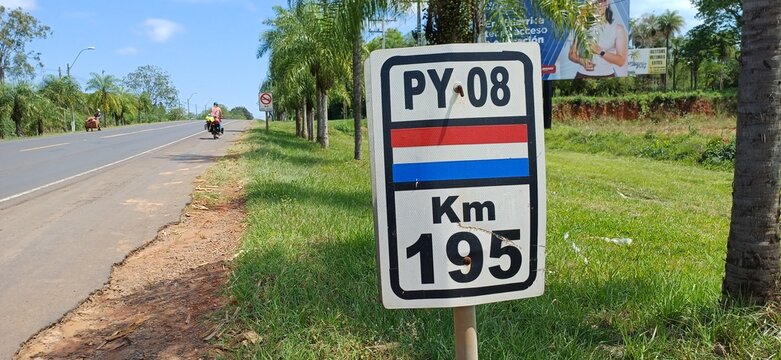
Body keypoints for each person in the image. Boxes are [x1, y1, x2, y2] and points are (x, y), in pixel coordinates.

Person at [567, 0, 628, 79]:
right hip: (582, 76)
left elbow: (621, 61)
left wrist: (600, 51)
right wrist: (581, 61)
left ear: (607, 3)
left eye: (599, 1)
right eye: (592, 3)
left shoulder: (618, 29)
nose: (596, 6)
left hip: (608, 77)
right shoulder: (580, 26)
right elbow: (572, 55)